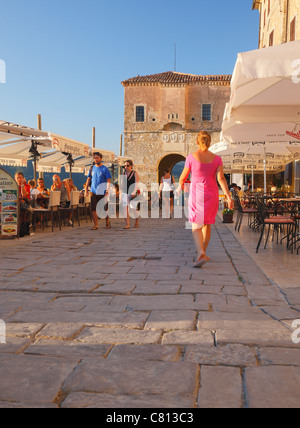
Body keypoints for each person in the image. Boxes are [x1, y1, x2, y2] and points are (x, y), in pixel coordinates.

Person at [178, 131, 234, 268]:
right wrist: (228, 196)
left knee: (195, 226)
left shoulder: (191, 157)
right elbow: (221, 179)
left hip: (197, 194)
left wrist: (180, 185)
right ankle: (203, 252)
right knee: (206, 224)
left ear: (197, 142)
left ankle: (200, 253)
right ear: (209, 143)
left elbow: (183, 177)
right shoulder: (217, 159)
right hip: (212, 194)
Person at [85, 152, 112, 230]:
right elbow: (88, 179)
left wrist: (107, 191)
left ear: (101, 158)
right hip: (93, 191)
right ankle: (96, 225)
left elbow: (108, 181)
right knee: (93, 208)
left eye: (97, 158)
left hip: (102, 191)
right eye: (94, 158)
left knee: (104, 208)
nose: (95, 159)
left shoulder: (105, 169)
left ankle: (107, 222)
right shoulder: (91, 168)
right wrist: (86, 189)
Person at [120, 160, 140, 229]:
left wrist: (134, 192)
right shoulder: (123, 173)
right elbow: (122, 184)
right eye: (125, 165)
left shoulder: (135, 173)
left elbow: (136, 183)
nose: (126, 167)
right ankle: (127, 224)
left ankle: (136, 220)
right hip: (125, 192)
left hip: (132, 192)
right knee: (125, 208)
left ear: (131, 166)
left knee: (133, 209)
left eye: (127, 165)